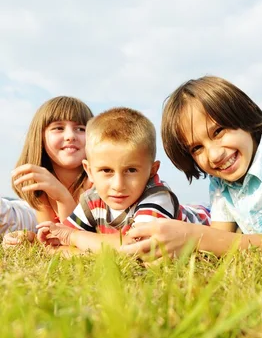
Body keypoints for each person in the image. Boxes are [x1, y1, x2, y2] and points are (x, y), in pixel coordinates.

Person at [120, 76, 262, 258]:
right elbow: (220, 240)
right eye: (197, 148)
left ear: (243, 115)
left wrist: (191, 235)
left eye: (218, 131)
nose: (214, 155)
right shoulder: (221, 181)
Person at [36, 107, 210, 253]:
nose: (118, 185)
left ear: (152, 171)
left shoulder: (157, 196)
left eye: (131, 170)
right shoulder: (92, 199)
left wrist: (73, 237)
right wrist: (42, 237)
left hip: (205, 217)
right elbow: (64, 237)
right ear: (89, 171)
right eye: (106, 170)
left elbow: (137, 247)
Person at [2, 96, 93, 247]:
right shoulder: (42, 187)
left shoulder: (98, 183)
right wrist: (28, 237)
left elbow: (74, 239)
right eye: (58, 128)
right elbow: (51, 240)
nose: (70, 136)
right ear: (40, 137)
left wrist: (62, 197)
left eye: (81, 129)